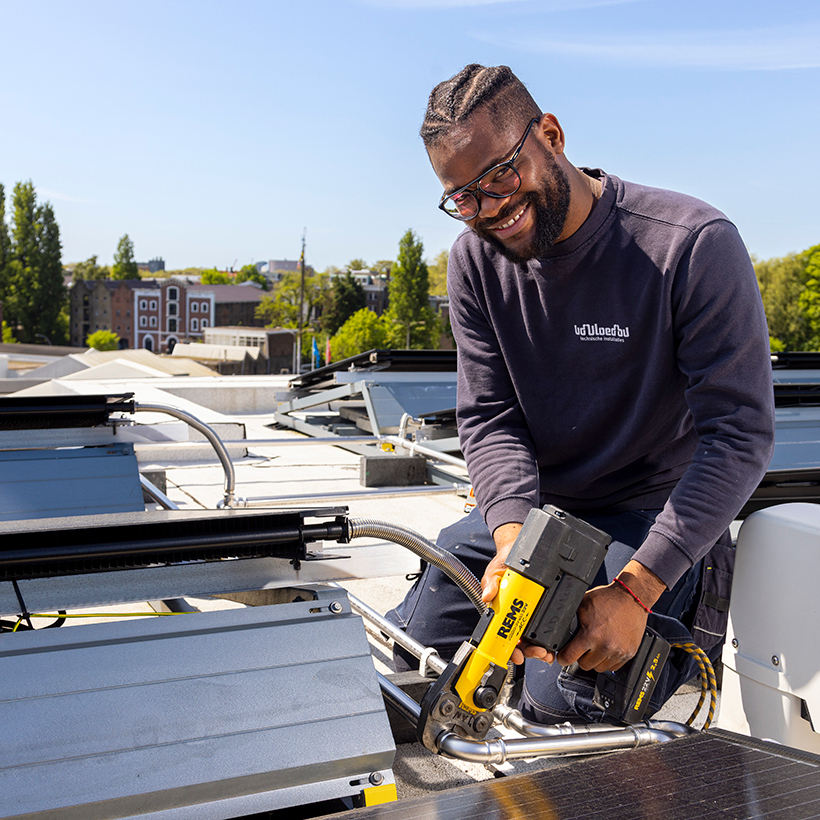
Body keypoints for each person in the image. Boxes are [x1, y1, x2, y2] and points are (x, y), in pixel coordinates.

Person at [388, 64, 775, 723]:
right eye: (463, 197)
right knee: (409, 663)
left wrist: (637, 591)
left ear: (551, 135)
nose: (489, 210)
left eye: (500, 176)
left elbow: (740, 434)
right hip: (540, 520)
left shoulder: (690, 245)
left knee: (557, 703)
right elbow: (490, 414)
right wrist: (511, 537)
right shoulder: (474, 263)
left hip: (653, 522)